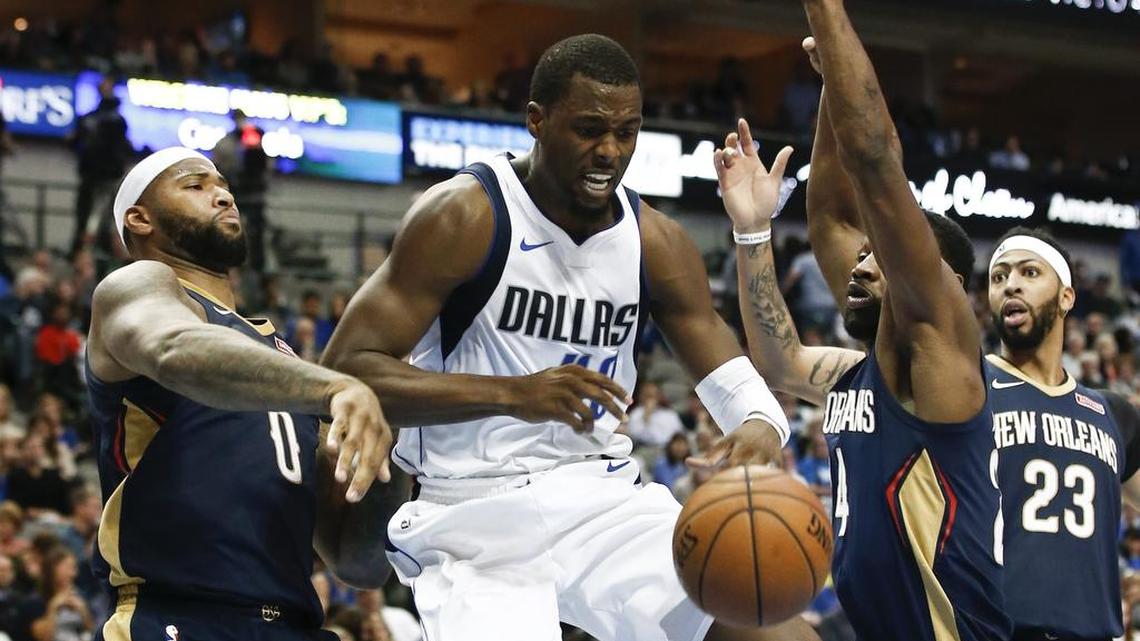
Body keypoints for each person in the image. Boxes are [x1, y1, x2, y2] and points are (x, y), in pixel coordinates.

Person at [323, 34, 811, 641]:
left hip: (601, 500)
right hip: (470, 511)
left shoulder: (655, 242)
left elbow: (727, 369)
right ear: (537, 120)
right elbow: (345, 369)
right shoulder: (465, 216)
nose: (609, 151)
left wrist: (762, 424)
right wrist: (511, 394)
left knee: (776, 633)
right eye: (588, 129)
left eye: (627, 132)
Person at [719, 5, 1009, 639]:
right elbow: (781, 354)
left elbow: (875, 163)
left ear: (944, 286)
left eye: (877, 258)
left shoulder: (941, 365)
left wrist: (826, 13)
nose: (856, 266)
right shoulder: (857, 375)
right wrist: (751, 229)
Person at [84, 147, 404, 641]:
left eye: (223, 185)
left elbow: (356, 563)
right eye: (195, 186)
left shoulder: (281, 359)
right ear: (139, 219)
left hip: (294, 623)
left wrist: (396, 440)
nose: (222, 195)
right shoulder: (136, 287)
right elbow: (173, 348)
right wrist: (338, 386)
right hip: (179, 617)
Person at [987, 227, 1140, 641]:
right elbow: (800, 367)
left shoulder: (1113, 411)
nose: (1011, 284)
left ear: (1067, 297)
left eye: (1029, 272)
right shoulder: (966, 384)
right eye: (998, 277)